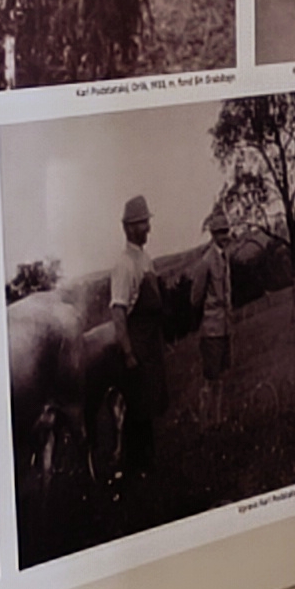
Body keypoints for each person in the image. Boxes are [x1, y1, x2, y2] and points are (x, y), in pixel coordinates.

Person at [109, 191, 168, 485]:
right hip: (136, 348)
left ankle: (148, 464)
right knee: (136, 409)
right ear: (129, 227)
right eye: (143, 223)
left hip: (151, 344)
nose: (148, 228)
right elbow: (119, 313)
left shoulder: (145, 259)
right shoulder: (124, 265)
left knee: (149, 405)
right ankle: (134, 470)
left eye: (147, 221)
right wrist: (129, 353)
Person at [190, 204, 234, 424]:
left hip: (225, 327)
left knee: (222, 377)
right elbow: (195, 298)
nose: (225, 236)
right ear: (213, 234)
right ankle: (204, 424)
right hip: (211, 329)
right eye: (220, 232)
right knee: (210, 378)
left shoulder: (225, 258)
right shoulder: (206, 261)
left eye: (226, 231)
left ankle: (217, 421)